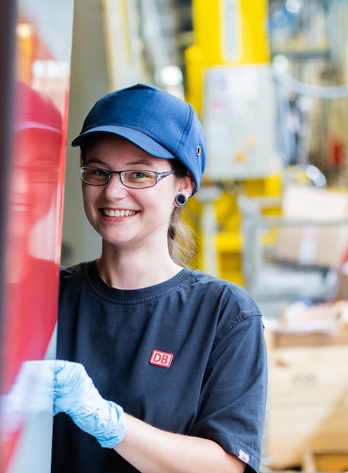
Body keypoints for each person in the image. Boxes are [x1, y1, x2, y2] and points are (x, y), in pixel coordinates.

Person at [51, 83, 268, 473]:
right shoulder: (48, 298)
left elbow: (227, 467)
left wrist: (109, 423)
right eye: (98, 171)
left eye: (139, 175)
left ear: (183, 185)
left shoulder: (223, 314)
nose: (113, 192)